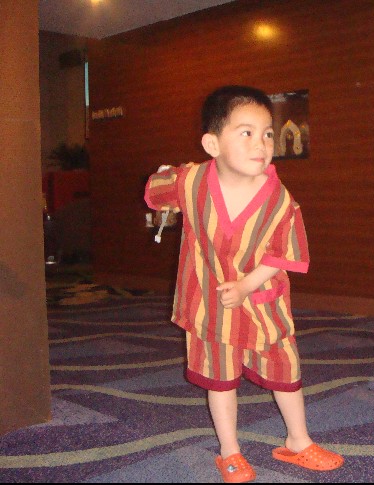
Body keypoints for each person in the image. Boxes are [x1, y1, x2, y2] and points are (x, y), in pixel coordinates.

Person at [145, 86, 343, 483]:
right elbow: (155, 191)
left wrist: (247, 285)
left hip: (263, 301)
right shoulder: (191, 180)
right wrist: (166, 184)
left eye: (268, 133)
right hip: (210, 307)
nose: (261, 144)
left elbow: (283, 254)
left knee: (285, 371)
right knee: (220, 380)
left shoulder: (278, 199)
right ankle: (230, 451)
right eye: (246, 133)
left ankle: (298, 440)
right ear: (212, 144)